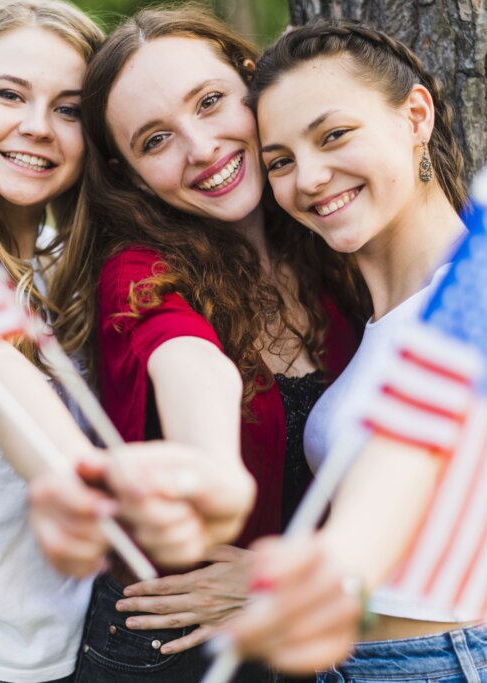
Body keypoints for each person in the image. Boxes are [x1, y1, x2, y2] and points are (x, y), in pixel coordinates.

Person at [0, 3, 254, 682]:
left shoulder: (60, 262)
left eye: (69, 109)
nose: (37, 127)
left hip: (55, 656)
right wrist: (86, 476)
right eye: (9, 94)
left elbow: (189, 357)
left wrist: (210, 462)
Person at [223, 20, 487, 682]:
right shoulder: (382, 319)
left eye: (334, 135)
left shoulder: (482, 306)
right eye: (280, 160)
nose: (309, 177)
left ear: (416, 115)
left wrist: (323, 573)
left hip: (440, 664)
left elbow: (400, 481)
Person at [43, 7, 367, 682]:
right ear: (128, 173)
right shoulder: (137, 273)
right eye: (155, 139)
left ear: (253, 83)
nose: (200, 146)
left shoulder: (332, 243)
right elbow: (190, 364)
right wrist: (212, 469)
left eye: (212, 101)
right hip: (170, 651)